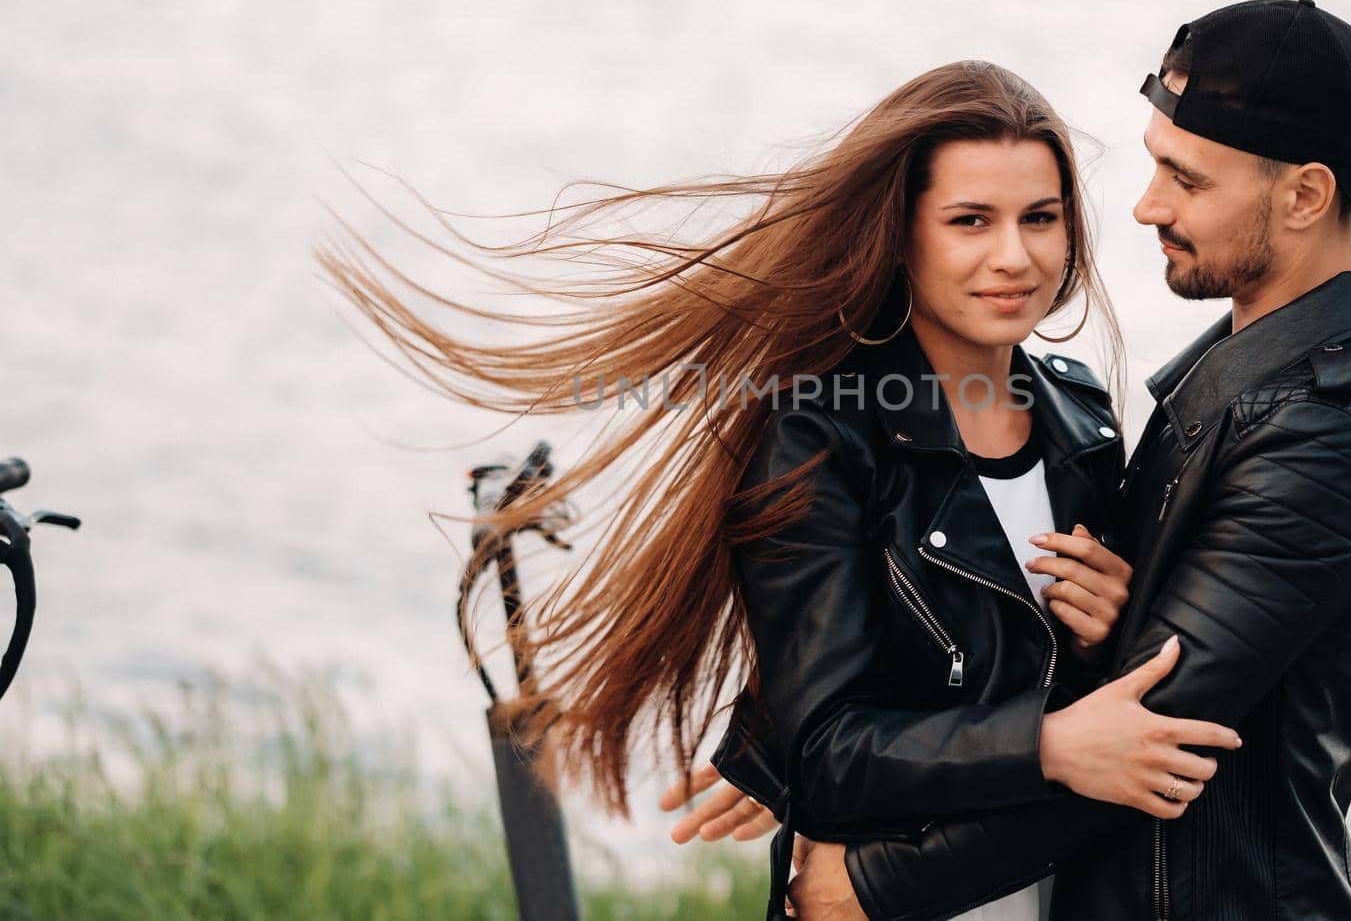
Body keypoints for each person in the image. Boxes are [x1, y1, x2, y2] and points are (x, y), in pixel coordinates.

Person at [320, 60, 1237, 921]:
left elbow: (1082, 690)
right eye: (970, 221)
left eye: (1040, 217)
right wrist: (1047, 742)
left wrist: (1118, 619)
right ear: (901, 232)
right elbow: (831, 755)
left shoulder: (1082, 422)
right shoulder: (821, 434)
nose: (1015, 256)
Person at [763, 0, 1351, 921]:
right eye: (970, 219)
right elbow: (998, 666)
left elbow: (1144, 732)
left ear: (1305, 195)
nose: (1144, 204)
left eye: (1186, 179)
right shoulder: (1219, 386)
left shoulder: (1320, 435)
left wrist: (871, 887)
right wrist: (771, 749)